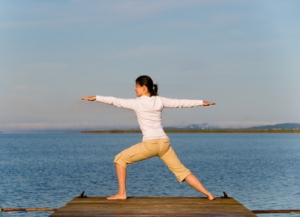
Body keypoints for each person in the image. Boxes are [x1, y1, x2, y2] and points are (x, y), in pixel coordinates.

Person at [82, 75, 215, 200]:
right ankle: (208, 194)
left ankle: (121, 193)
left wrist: (96, 97)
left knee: (120, 159)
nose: (135, 89)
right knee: (182, 171)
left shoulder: (137, 103)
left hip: (150, 144)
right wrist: (201, 102)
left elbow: (115, 101)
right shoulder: (160, 100)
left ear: (144, 87)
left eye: (137, 86)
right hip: (164, 143)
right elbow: (180, 103)